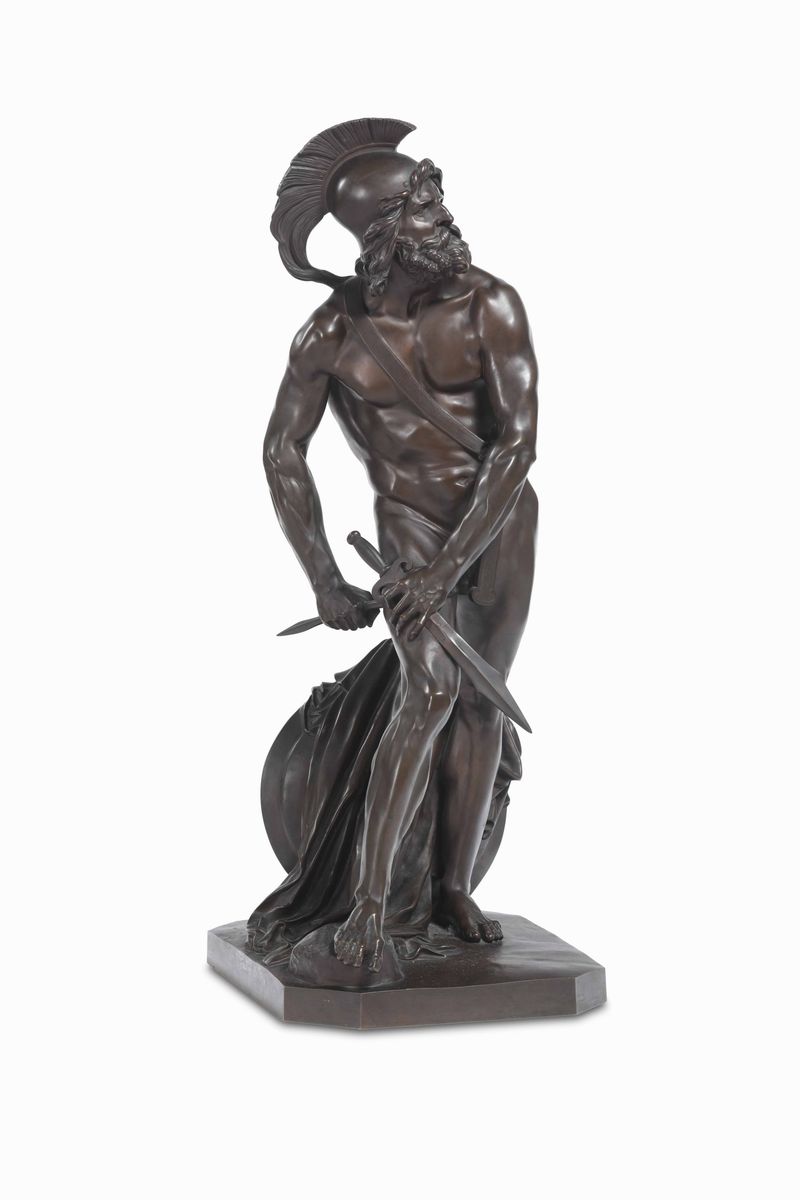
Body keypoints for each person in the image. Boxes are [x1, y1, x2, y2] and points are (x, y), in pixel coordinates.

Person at [248, 119, 538, 974]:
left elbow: (516, 446)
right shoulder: (331, 335)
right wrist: (324, 579)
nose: (444, 215)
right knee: (432, 688)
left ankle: (452, 887)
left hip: (502, 523)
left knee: (482, 703)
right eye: (422, 205)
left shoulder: (491, 304)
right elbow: (282, 451)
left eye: (438, 196)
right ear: (381, 237)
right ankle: (370, 907)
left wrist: (449, 571)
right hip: (407, 523)